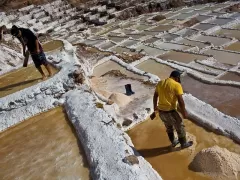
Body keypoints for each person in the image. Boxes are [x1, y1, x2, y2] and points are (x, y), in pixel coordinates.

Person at [153, 70, 193, 149]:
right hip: (170, 111)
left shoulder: (160, 83)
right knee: (180, 127)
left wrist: (155, 107)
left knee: (169, 127)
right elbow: (180, 100)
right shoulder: (176, 85)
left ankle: (174, 142)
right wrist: (184, 112)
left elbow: (155, 96)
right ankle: (184, 144)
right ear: (177, 78)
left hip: (161, 111)